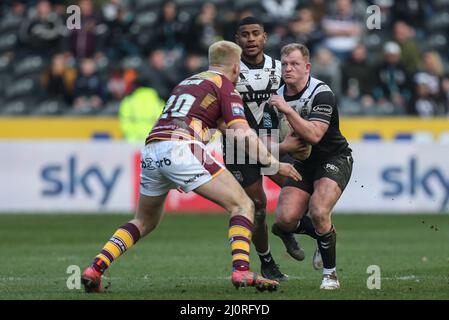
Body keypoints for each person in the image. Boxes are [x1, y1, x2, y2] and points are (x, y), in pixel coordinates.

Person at [81, 40, 301, 293]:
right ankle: (241, 270)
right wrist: (274, 163)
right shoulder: (225, 86)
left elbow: (212, 127)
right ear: (235, 66)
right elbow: (242, 134)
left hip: (152, 148)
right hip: (182, 147)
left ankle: (95, 269)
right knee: (243, 204)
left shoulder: (187, 83)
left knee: (144, 220)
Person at [224, 17, 319, 281]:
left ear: (265, 37)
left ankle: (288, 228)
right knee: (257, 207)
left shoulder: (280, 69)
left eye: (256, 34)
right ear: (237, 39)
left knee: (304, 192)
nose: (251, 39)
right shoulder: (229, 72)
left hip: (275, 143)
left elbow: (301, 96)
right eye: (245, 35)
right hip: (238, 149)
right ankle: (267, 263)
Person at [269, 43, 353, 290]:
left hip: (334, 158)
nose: (288, 69)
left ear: (307, 67)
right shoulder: (274, 97)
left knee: (318, 210)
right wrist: (283, 148)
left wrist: (287, 110)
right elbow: (268, 145)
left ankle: (330, 275)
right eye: (284, 64)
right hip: (302, 162)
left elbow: (315, 136)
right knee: (284, 220)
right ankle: (321, 234)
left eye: (294, 64)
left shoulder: (321, 92)